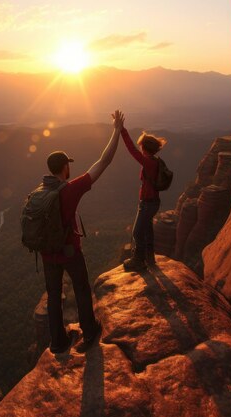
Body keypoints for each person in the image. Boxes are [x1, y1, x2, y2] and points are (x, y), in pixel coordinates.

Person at [41, 110, 125, 354]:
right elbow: (104, 162)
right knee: (81, 289)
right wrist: (116, 131)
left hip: (47, 255)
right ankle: (89, 332)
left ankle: (57, 342)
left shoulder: (40, 192)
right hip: (69, 252)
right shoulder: (70, 189)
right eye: (68, 165)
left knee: (54, 297)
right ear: (65, 167)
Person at [121, 126, 167, 271]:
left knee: (137, 232)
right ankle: (150, 258)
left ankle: (138, 260)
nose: (140, 148)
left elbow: (131, 150)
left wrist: (122, 130)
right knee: (147, 230)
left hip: (148, 203)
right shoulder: (155, 160)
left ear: (145, 148)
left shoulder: (148, 162)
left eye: (141, 146)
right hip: (151, 202)